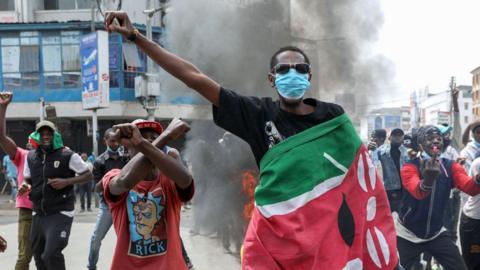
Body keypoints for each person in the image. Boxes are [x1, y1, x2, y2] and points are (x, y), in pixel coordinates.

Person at [104, 12, 399, 269]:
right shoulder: (258, 114)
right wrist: (136, 37)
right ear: (272, 79)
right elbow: (193, 76)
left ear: (309, 77)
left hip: (328, 238)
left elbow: (360, 183)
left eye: (299, 69)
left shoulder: (332, 118)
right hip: (280, 240)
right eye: (283, 70)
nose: (291, 74)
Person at [102, 118, 194, 270]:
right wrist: (165, 137)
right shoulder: (113, 176)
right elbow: (124, 182)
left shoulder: (168, 180)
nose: (149, 143)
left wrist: (142, 144)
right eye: (142, 138)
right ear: (125, 149)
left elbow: (186, 180)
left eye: (154, 139)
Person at [397, 125, 480, 270]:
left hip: (436, 234)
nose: (435, 142)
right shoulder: (409, 167)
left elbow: (470, 188)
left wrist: (478, 178)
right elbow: (418, 191)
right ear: (420, 145)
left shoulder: (451, 167)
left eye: (438, 139)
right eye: (429, 139)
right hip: (408, 234)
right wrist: (428, 181)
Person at [19, 120, 93, 270]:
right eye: (42, 133)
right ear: (37, 136)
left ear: (54, 135)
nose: (46, 136)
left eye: (49, 133)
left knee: (51, 254)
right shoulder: (31, 156)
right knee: (38, 255)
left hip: (60, 211)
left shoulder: (67, 155)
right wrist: (26, 186)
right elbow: (28, 178)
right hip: (38, 212)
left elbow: (88, 174)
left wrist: (66, 181)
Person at [0, 92, 34, 270]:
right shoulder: (22, 155)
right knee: (24, 258)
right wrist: (3, 108)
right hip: (28, 211)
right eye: (29, 141)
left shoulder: (55, 156)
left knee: (49, 257)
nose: (31, 144)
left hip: (50, 212)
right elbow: (2, 137)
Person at [87, 129, 128, 270]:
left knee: (126, 240)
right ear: (105, 141)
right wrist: (109, 177)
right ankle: (91, 266)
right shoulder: (99, 162)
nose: (115, 143)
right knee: (96, 239)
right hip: (108, 206)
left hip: (125, 205)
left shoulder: (126, 158)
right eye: (112, 140)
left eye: (117, 140)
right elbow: (96, 188)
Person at [372, 128, 406, 213]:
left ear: (403, 138)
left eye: (399, 135)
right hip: (388, 190)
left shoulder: (407, 152)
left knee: (403, 219)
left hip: (404, 191)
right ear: (389, 138)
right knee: (385, 217)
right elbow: (373, 164)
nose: (397, 137)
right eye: (395, 135)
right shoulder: (381, 150)